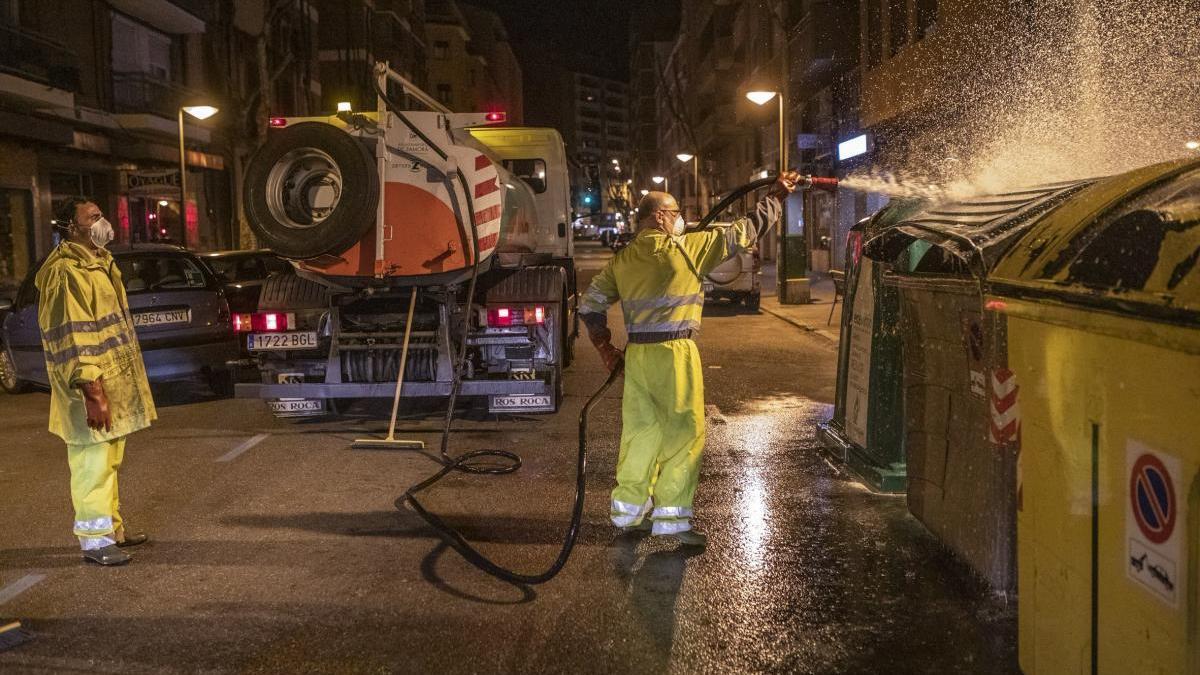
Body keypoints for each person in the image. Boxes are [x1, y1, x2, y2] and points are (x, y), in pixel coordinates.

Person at [579, 172, 802, 547]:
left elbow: (590, 306)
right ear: (660, 217)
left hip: (637, 358)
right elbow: (745, 231)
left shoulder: (624, 260)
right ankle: (672, 521)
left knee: (640, 434)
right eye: (676, 212)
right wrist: (776, 196)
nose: (680, 218)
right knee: (684, 435)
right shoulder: (686, 248)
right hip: (675, 354)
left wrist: (606, 349)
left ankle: (627, 513)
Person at [35, 197, 156, 566]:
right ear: (72, 228)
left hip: (111, 383)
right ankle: (94, 540)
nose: (103, 222)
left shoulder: (99, 263)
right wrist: (93, 391)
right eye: (93, 218)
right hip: (89, 388)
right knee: (92, 464)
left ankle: (112, 531)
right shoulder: (65, 272)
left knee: (109, 462)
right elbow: (75, 336)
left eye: (101, 214)